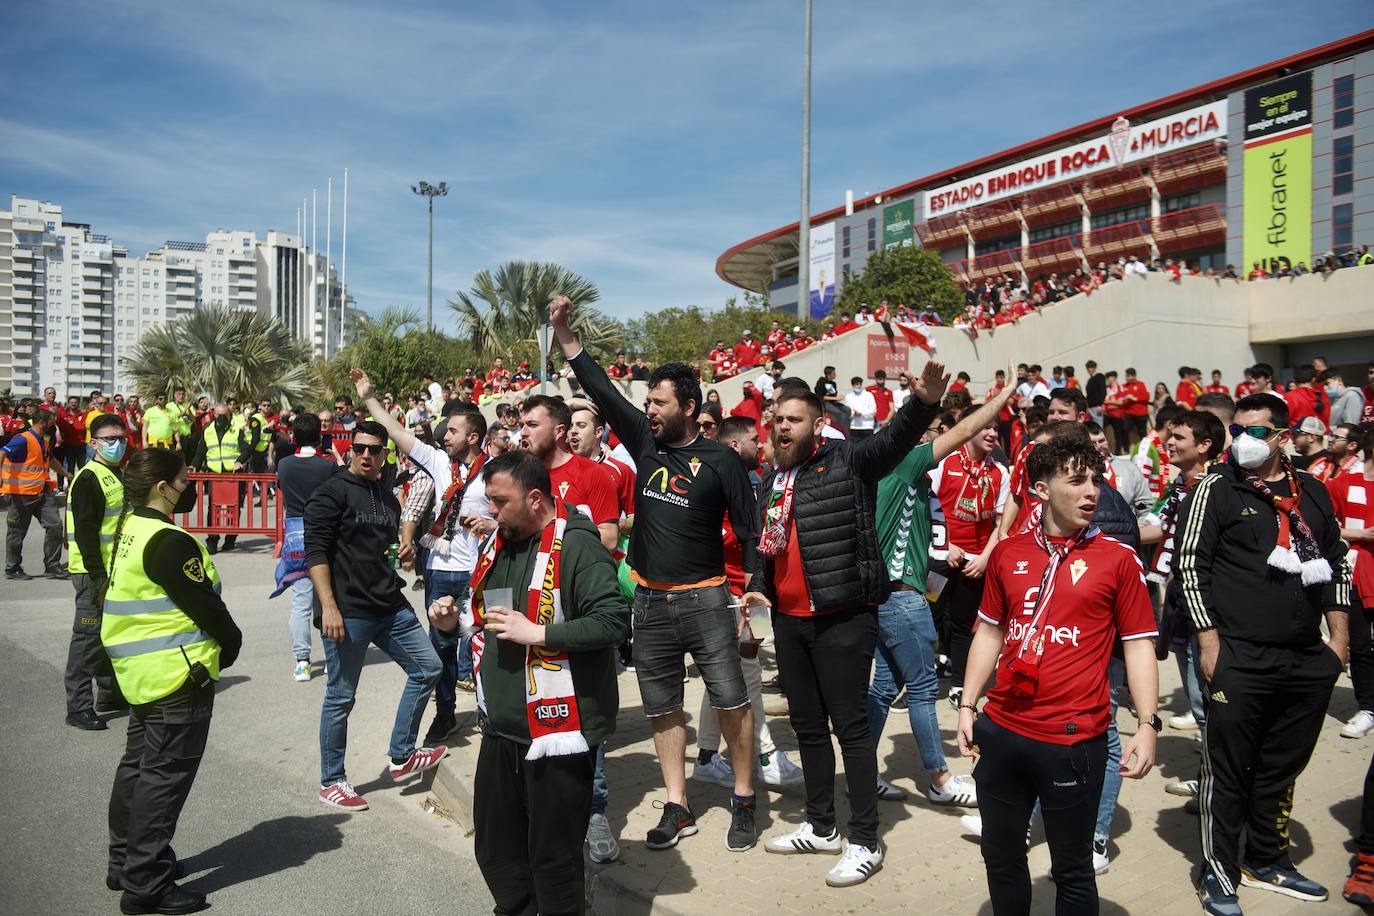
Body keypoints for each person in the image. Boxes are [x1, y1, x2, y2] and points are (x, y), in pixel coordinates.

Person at [551, 294, 763, 853]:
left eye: (660, 402)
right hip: (649, 602)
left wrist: (755, 587)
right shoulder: (643, 441)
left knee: (731, 701)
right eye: (647, 401)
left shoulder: (722, 461)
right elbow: (600, 388)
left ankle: (743, 799)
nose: (649, 409)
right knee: (662, 705)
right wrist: (567, 336)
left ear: (689, 407)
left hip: (708, 601)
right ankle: (678, 804)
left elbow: (750, 530)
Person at [957, 425, 1160, 915]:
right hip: (1003, 732)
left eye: (1095, 479)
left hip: (1073, 740)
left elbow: (1138, 646)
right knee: (1001, 856)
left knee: (1071, 869)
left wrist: (1147, 724)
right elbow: (989, 632)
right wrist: (967, 704)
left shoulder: (1118, 559)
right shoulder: (1008, 552)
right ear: (1042, 490)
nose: (1090, 491)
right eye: (1075, 481)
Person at [757, 363, 945, 888]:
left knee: (852, 731)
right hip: (789, 622)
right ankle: (821, 827)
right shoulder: (773, 479)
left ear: (818, 424)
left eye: (794, 420)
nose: (783, 428)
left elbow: (894, 439)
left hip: (842, 619)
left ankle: (865, 839)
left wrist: (924, 404)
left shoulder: (849, 460)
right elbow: (764, 547)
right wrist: (757, 585)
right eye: (777, 420)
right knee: (808, 729)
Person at [429, 450, 627, 915]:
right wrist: (450, 623)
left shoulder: (577, 545)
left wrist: (539, 633)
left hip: (559, 735)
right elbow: (493, 618)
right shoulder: (503, 542)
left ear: (535, 499)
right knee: (497, 850)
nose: (490, 512)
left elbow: (614, 621)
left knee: (553, 860)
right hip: (502, 727)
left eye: (499, 501)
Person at [1174, 394, 1352, 913]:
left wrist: (1336, 644)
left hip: (1304, 658)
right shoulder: (1218, 488)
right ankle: (1221, 871)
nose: (1244, 440)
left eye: (1256, 430)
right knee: (1228, 770)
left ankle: (1267, 858)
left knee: (1280, 767)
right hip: (1239, 656)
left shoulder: (1314, 493)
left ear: (1282, 436)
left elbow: (1337, 563)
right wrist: (1209, 643)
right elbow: (1190, 567)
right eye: (1238, 429)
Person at [103, 447, 242, 916]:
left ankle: (127, 861)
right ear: (162, 487)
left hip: (143, 675)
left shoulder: (129, 529)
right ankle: (145, 885)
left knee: (139, 770)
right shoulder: (167, 540)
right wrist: (231, 644)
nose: (191, 485)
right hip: (176, 677)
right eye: (185, 479)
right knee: (163, 781)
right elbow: (206, 606)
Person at [867, 381, 1017, 808]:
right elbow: (963, 430)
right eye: (932, 430)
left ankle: (863, 773)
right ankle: (938, 778)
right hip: (903, 596)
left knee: (882, 688)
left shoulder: (879, 465)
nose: (937, 437)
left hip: (885, 595)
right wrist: (1001, 401)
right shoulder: (907, 461)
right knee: (922, 686)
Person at [305, 420, 447, 812]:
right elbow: (315, 553)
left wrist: (406, 552)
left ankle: (401, 755)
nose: (365, 455)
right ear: (350, 450)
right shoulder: (331, 493)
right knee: (341, 696)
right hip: (348, 612)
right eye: (359, 448)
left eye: (374, 449)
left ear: (386, 455)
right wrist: (328, 607)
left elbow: (388, 548)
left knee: (428, 667)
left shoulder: (387, 497)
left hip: (389, 604)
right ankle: (332, 780)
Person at [353, 371, 494, 746]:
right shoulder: (436, 460)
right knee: (442, 647)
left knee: (490, 642)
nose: (444, 436)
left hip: (484, 571)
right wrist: (369, 397)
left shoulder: (498, 469)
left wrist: (491, 523)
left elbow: (514, 514)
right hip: (441, 570)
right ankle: (445, 714)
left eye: (452, 431)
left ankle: (490, 712)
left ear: (473, 437)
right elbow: (396, 431)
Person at [693, 414, 806, 792]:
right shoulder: (714, 484)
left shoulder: (753, 480)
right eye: (754, 439)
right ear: (734, 446)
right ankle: (766, 756)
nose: (760, 445)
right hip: (731, 594)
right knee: (747, 672)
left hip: (752, 593)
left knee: (731, 673)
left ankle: (708, 756)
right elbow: (727, 538)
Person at [930, 400, 1012, 704]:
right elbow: (928, 508)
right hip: (939, 557)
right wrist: (947, 544)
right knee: (930, 616)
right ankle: (923, 678)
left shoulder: (1001, 472)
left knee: (965, 625)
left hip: (975, 561)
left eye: (995, 427)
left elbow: (1000, 522)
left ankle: (959, 684)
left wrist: (986, 557)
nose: (992, 433)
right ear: (969, 427)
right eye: (986, 426)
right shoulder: (944, 462)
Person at [63, 412, 128, 730]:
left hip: (111, 571)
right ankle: (78, 708)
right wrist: (98, 575)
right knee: (87, 639)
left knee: (106, 635)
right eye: (110, 439)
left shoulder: (114, 473)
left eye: (121, 438)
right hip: (92, 573)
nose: (117, 444)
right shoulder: (89, 478)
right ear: (94, 443)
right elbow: (87, 534)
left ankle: (109, 695)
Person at [275, 412, 338, 682]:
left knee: (300, 601)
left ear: (295, 436)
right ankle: (332, 658)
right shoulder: (327, 467)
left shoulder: (284, 465)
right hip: (323, 533)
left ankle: (302, 660)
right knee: (327, 599)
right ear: (319, 435)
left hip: (294, 537)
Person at [518, 395, 620, 552]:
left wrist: (554, 533)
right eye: (521, 425)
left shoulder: (591, 473)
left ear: (559, 431)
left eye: (532, 425)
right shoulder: (519, 473)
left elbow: (609, 540)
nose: (523, 432)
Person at [1329, 426, 1374, 742]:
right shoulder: (1343, 484)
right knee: (1359, 646)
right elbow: (1323, 526)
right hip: (1355, 575)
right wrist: (1359, 535)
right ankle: (1368, 707)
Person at [3, 407, 70, 579]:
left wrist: (67, 474)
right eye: (51, 422)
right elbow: (2, 452)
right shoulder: (22, 439)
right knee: (17, 532)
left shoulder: (44, 440)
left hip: (42, 493)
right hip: (21, 495)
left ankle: (52, 566)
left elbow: (51, 460)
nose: (53, 425)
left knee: (55, 526)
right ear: (42, 422)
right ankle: (12, 568)